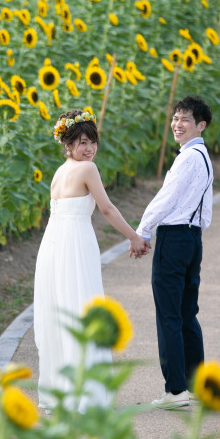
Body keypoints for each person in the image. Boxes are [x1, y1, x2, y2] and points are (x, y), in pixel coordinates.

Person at [34, 109, 149, 411]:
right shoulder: (88, 170)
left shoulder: (61, 171)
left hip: (54, 244)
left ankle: (62, 389)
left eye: (92, 142)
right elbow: (107, 209)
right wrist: (134, 237)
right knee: (81, 308)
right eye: (81, 142)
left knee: (61, 310)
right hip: (73, 244)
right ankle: (84, 393)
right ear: (68, 144)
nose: (89, 148)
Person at [132, 95, 214, 409]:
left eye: (185, 120)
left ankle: (176, 390)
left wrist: (143, 231)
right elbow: (206, 210)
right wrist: (193, 236)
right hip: (192, 238)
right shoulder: (202, 156)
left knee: (169, 314)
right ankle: (193, 386)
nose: (177, 125)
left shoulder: (188, 158)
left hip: (175, 237)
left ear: (200, 126)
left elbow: (166, 198)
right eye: (176, 118)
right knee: (186, 314)